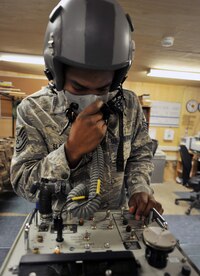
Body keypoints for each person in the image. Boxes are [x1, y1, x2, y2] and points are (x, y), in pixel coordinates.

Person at [10, 0, 163, 220]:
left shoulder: (128, 105)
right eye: (79, 87)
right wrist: (70, 152)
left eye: (102, 88)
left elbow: (140, 155)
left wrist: (140, 189)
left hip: (115, 222)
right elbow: (23, 184)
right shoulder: (33, 110)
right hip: (59, 226)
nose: (93, 98)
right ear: (57, 74)